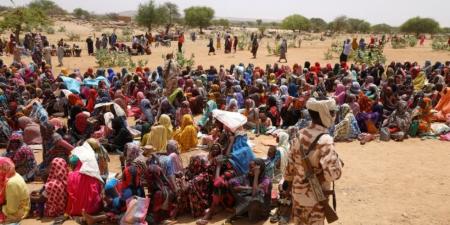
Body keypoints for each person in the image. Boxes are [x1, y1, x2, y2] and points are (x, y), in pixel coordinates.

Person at [285, 97, 343, 225]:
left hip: (297, 195)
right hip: (315, 199)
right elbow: (333, 174)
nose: (333, 116)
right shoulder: (326, 140)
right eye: (332, 112)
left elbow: (289, 169)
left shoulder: (299, 135)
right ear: (324, 113)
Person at [223, 158, 272, 224]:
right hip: (250, 201)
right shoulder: (249, 175)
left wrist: (256, 175)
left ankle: (234, 215)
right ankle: (243, 211)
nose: (249, 170)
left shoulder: (266, 181)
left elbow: (255, 193)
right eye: (249, 167)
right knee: (234, 187)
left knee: (253, 199)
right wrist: (246, 188)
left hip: (261, 209)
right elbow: (231, 182)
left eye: (251, 168)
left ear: (259, 169)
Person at [0, 157, 30, 224]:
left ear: (3, 169)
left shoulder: (11, 183)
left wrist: (2, 208)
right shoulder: (14, 174)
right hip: (23, 207)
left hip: (18, 213)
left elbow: (11, 210)